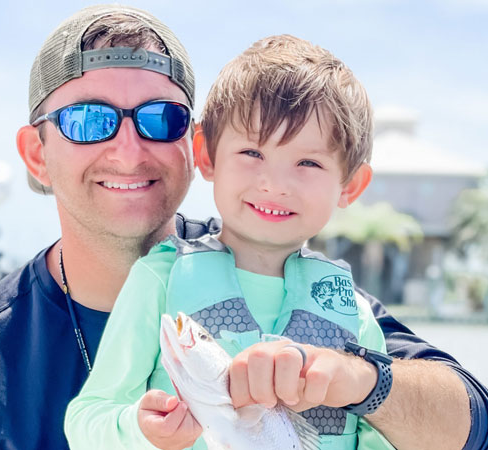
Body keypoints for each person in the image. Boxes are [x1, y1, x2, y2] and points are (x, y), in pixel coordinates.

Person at [0, 5, 488, 450]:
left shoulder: (301, 276)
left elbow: (480, 426)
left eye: (160, 118)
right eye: (89, 119)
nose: (129, 149)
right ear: (36, 154)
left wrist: (360, 380)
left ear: (192, 146)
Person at [65, 33, 397, 450]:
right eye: (252, 153)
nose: (274, 184)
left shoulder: (357, 316)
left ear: (350, 185)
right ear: (206, 155)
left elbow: (382, 437)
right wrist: (139, 429)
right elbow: (86, 420)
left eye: (308, 162)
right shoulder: (160, 279)